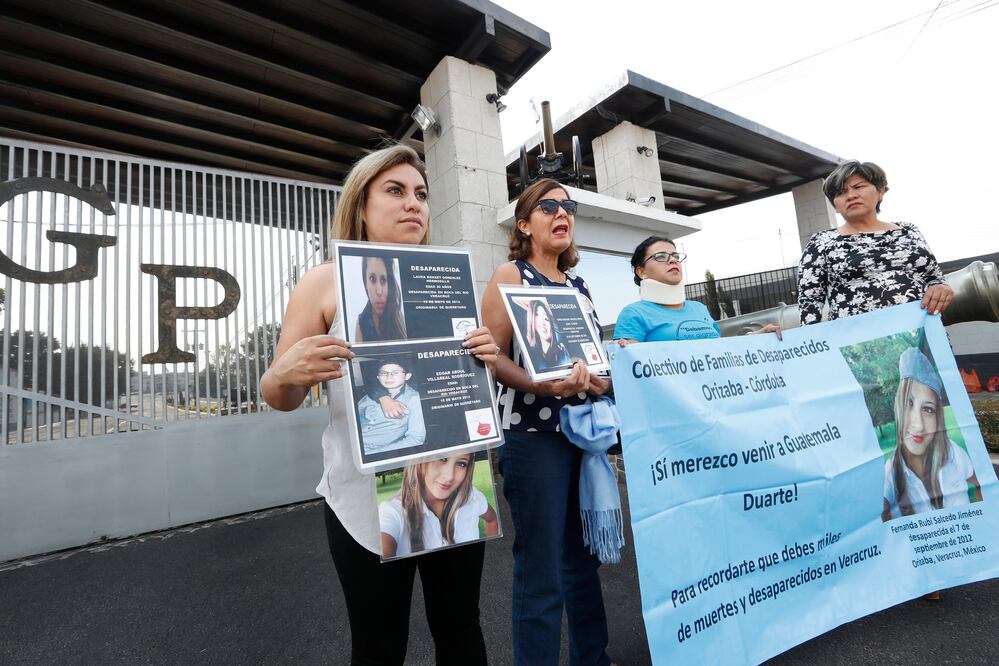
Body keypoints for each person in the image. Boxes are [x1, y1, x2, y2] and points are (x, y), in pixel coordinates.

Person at [260, 144, 500, 665]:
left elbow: (465, 383)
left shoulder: (445, 281)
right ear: (361, 207)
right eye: (394, 191)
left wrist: (484, 356)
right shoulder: (322, 281)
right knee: (377, 644)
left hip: (453, 484)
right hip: (361, 502)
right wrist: (284, 372)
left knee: (461, 631)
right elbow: (279, 394)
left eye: (421, 193)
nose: (413, 203)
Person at [482, 178, 614, 666]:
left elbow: (594, 358)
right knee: (541, 572)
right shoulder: (509, 275)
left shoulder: (579, 285)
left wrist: (601, 380)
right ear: (524, 224)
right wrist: (538, 385)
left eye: (568, 206)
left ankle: (593, 659)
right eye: (548, 206)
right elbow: (489, 355)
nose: (563, 213)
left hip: (583, 432)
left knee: (583, 562)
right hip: (532, 437)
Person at [797, 160, 954, 325]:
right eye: (841, 192)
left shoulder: (908, 230)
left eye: (858, 187)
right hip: (858, 342)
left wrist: (941, 287)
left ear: (880, 191)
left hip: (924, 331)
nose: (851, 195)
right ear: (835, 206)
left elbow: (934, 277)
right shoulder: (821, 242)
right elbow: (810, 302)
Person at [613, 235, 778, 343]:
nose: (672, 260)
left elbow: (721, 350)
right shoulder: (634, 314)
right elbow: (630, 366)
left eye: (676, 256)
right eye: (661, 256)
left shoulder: (699, 308)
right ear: (641, 271)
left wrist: (756, 338)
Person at [882, 347, 982, 521]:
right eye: (909, 404)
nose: (918, 425)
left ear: (938, 417)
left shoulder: (953, 452)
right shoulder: (890, 474)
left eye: (928, 409)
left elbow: (984, 484)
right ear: (898, 408)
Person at [379, 454, 499, 558]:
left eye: (461, 464)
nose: (449, 476)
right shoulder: (392, 511)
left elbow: (492, 520)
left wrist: (490, 554)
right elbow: (386, 541)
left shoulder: (472, 497)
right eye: (442, 458)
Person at [357, 357, 425, 456]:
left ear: (407, 376)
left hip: (371, 451)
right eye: (384, 373)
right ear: (378, 377)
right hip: (352, 442)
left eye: (395, 372)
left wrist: (373, 454)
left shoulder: (414, 399)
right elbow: (354, 416)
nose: (389, 377)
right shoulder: (371, 395)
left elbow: (416, 439)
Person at [355, 254, 407, 341]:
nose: (379, 291)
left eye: (383, 280)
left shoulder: (398, 317)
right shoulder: (361, 324)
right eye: (372, 279)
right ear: (365, 282)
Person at [524, 298, 571, 371]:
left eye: (546, 318)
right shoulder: (531, 353)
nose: (542, 323)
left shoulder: (563, 352)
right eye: (537, 315)